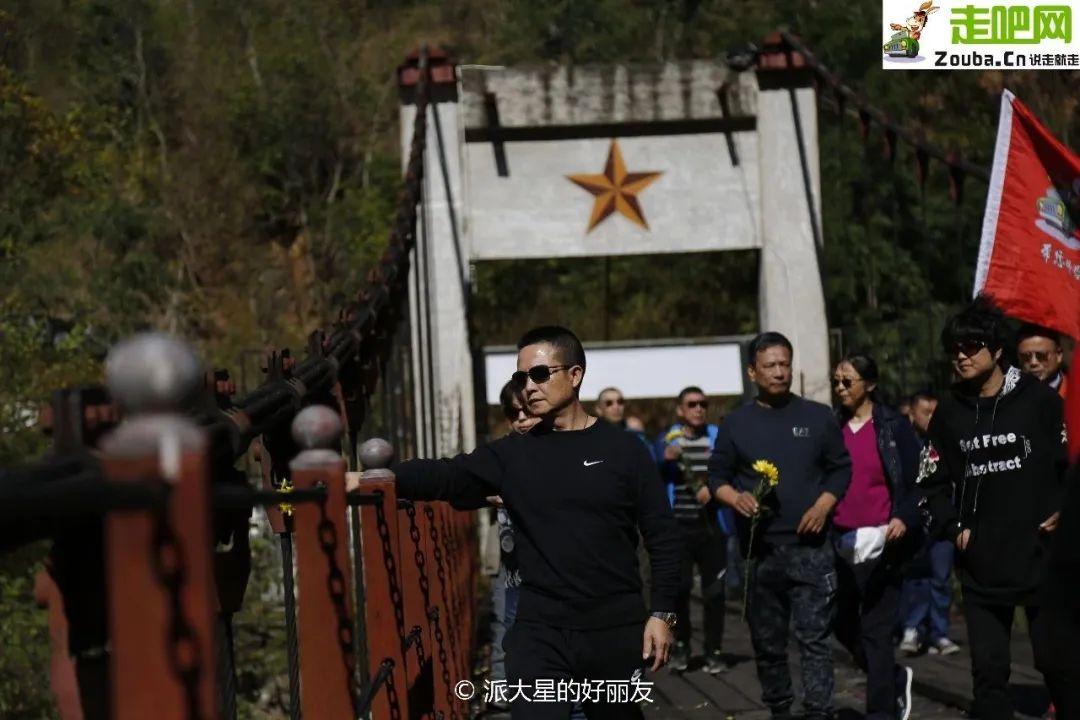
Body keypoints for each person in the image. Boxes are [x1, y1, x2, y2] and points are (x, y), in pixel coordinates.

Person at [394, 326, 681, 719]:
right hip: (540, 630)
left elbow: (663, 535)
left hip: (613, 628)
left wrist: (662, 613)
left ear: (575, 375)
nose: (528, 387)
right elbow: (448, 475)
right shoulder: (515, 454)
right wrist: (373, 479)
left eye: (540, 374)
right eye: (521, 377)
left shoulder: (624, 450)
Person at [919, 297, 1068, 720]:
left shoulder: (1040, 401)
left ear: (998, 350)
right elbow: (928, 486)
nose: (961, 356)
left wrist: (1065, 511)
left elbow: (1071, 467)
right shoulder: (949, 413)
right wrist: (953, 529)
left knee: (1058, 665)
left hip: (1043, 560)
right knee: (988, 675)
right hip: (982, 567)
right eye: (954, 349)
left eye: (971, 347)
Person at [708, 331, 852, 720]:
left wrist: (823, 505)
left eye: (784, 364)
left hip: (811, 549)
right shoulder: (735, 423)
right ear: (752, 372)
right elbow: (716, 477)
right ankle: (780, 709)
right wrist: (736, 498)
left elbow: (840, 468)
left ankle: (819, 711)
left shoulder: (818, 416)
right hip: (759, 553)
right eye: (770, 365)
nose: (779, 372)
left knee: (815, 639)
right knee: (768, 643)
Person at [831, 355, 921, 720]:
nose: (840, 388)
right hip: (840, 542)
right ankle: (892, 677)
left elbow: (918, 481)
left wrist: (903, 517)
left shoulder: (893, 427)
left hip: (884, 542)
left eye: (847, 381)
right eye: (836, 381)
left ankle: (881, 712)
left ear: (869, 385)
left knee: (876, 629)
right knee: (840, 622)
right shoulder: (832, 427)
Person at [658, 386, 732, 674]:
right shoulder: (668, 440)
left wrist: (713, 488)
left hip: (711, 527)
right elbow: (650, 471)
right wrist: (663, 458)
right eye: (692, 404)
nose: (699, 409)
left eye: (703, 404)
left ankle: (714, 650)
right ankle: (680, 646)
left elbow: (730, 471)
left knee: (714, 592)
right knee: (679, 589)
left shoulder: (717, 437)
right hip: (678, 527)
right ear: (680, 410)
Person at [488, 382, 541, 704]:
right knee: (506, 626)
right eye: (513, 413)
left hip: (548, 566)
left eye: (527, 411)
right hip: (512, 566)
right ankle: (504, 691)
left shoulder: (555, 449)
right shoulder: (501, 453)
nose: (521, 419)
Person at [898, 391, 961, 657]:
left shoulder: (947, 442)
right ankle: (913, 627)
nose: (931, 417)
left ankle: (939, 632)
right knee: (915, 577)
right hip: (915, 521)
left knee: (941, 578)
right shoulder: (904, 445)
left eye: (936, 412)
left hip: (942, 520)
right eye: (926, 412)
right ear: (912, 415)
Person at [1017, 324, 1069, 399]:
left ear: (1059, 355)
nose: (1033, 362)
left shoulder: (1075, 391)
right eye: (1025, 357)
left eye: (1041, 355)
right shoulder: (1011, 395)